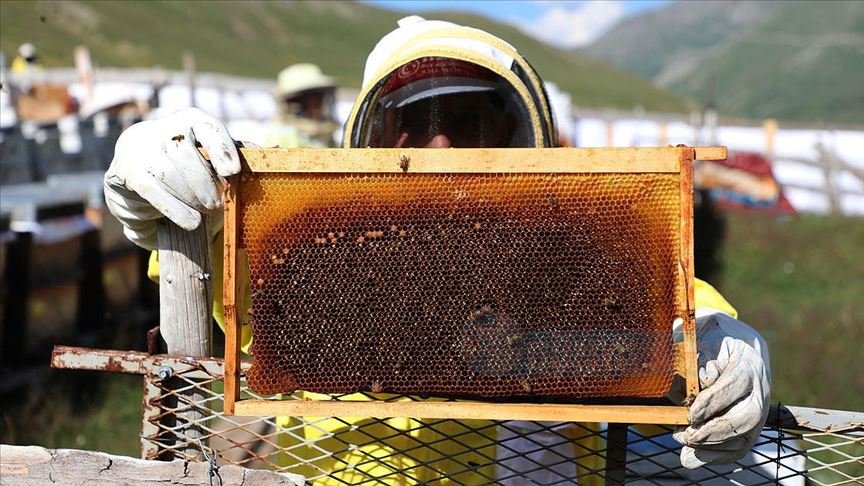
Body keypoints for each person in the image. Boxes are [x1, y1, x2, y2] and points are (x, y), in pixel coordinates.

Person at [104, 15, 770, 482]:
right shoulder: (313, 263)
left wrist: (721, 339)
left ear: (517, 134)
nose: (439, 145)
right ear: (371, 139)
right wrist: (169, 198)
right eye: (410, 123)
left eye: (467, 120)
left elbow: (680, 304)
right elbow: (219, 257)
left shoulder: (584, 257)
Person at [266, 62, 340, 148]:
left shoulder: (327, 137)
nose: (316, 104)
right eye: (308, 98)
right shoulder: (281, 136)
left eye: (319, 96)